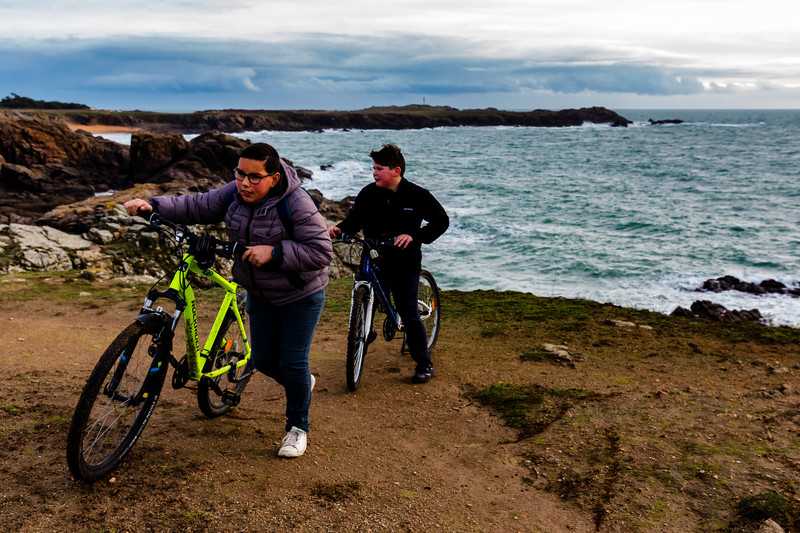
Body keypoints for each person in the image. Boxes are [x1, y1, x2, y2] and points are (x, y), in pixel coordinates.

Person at [124, 142, 332, 458]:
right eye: (240, 173)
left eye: (255, 177)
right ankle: (301, 382)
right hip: (259, 292)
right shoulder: (235, 193)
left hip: (300, 293)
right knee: (263, 361)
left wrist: (275, 252)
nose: (245, 183)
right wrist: (153, 206)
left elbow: (321, 251)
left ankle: (297, 428)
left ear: (274, 178)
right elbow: (197, 205)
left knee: (292, 361)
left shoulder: (297, 203)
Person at [328, 144, 448, 383]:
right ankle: (365, 331)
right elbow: (354, 220)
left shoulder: (417, 194)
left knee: (408, 311)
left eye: (379, 168)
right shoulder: (368, 193)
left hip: (405, 261)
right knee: (366, 297)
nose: (374, 173)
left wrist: (415, 236)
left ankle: (424, 363)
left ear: (396, 171)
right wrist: (339, 228)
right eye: (373, 168)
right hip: (373, 256)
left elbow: (441, 221)